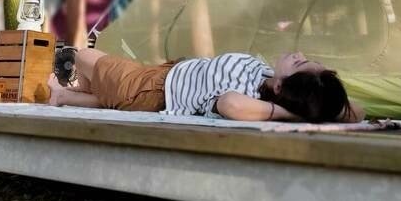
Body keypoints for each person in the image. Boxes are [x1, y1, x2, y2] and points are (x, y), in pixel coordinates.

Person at [47, 48, 364, 123]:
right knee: (109, 95)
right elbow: (356, 113)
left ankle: (74, 88)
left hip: (153, 90)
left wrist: (288, 113)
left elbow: (229, 105)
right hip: (165, 76)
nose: (297, 54)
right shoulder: (273, 80)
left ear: (282, 89)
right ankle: (63, 96)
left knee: (82, 54)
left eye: (299, 63)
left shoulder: (250, 99)